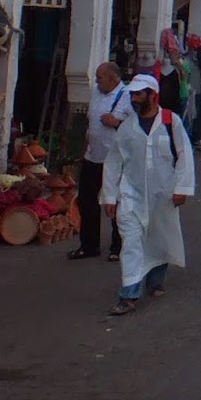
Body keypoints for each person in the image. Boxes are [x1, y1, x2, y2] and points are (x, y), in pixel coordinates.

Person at [103, 74, 195, 317]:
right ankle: (128, 294)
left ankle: (155, 281)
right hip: (131, 195)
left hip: (163, 195)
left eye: (139, 94)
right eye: (132, 94)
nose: (134, 98)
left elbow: (184, 155)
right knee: (131, 243)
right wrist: (110, 196)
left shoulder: (170, 121)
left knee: (158, 237)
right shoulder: (127, 127)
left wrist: (182, 188)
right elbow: (114, 161)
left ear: (152, 95)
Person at [70, 62, 127, 261]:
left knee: (117, 202)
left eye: (100, 78)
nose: (96, 81)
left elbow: (136, 127)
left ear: (113, 79)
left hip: (115, 160)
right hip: (93, 156)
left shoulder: (127, 96)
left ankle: (118, 247)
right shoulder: (96, 93)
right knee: (87, 201)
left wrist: (117, 122)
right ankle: (89, 245)